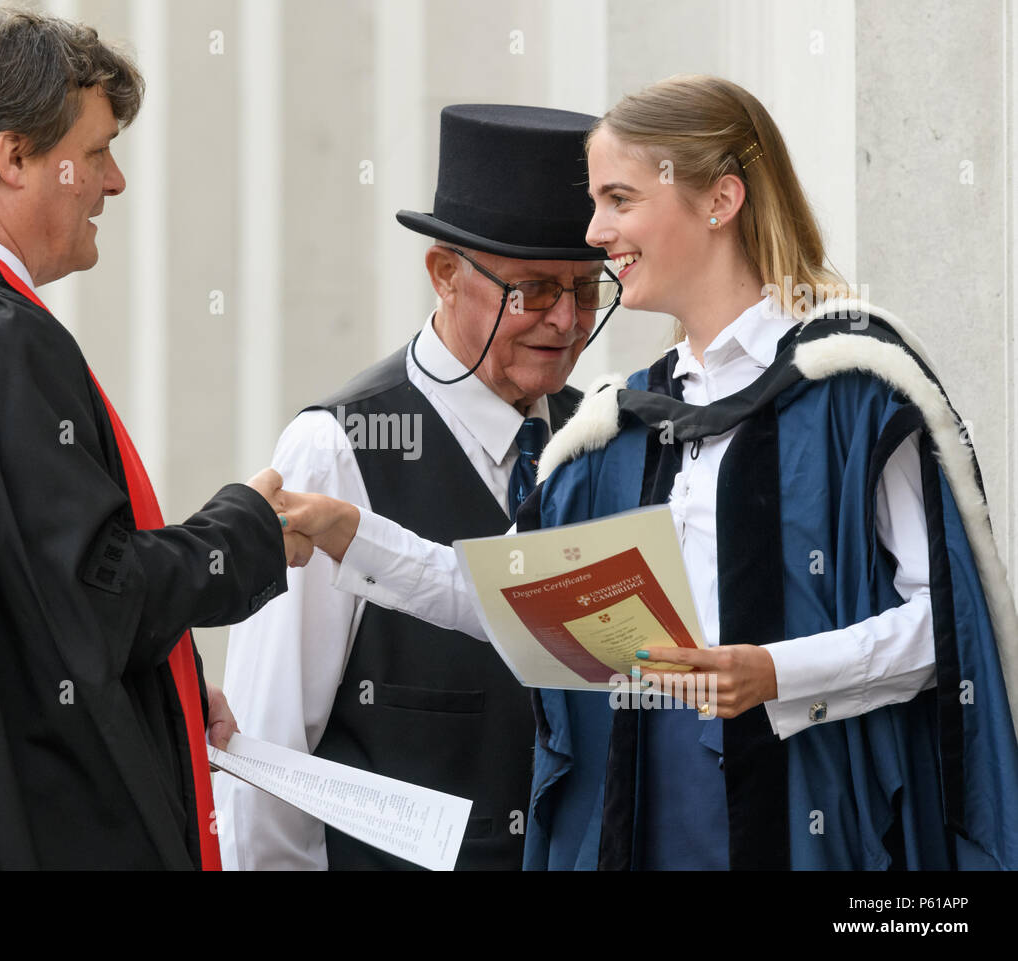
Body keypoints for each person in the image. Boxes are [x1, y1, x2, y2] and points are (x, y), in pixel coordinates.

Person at [282, 74, 1018, 869]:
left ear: (719, 201)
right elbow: (525, 607)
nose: (595, 231)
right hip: (646, 817)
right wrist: (351, 536)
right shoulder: (628, 419)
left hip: (809, 818)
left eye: (619, 199)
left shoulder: (854, 389)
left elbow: (946, 626)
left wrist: (775, 672)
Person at [0, 6, 311, 870]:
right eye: (94, 154)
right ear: (10, 156)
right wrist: (242, 532)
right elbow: (92, 605)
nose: (116, 182)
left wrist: (159, 693)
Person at [216, 104, 620, 870]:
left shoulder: (595, 440)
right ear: (443, 273)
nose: (566, 320)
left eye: (585, 288)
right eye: (533, 291)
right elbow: (266, 758)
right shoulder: (334, 449)